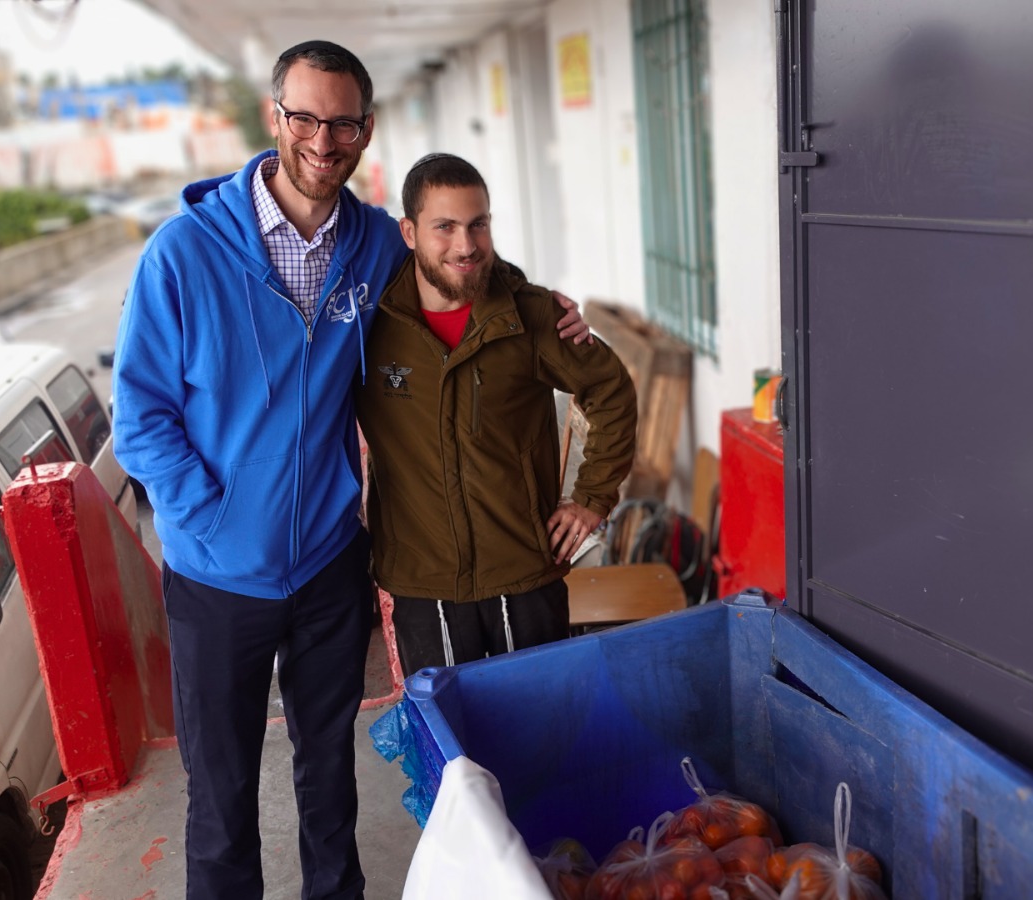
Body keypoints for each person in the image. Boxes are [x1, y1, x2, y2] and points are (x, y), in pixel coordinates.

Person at [112, 41, 589, 900]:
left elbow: (456, 257)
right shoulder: (182, 257)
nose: (323, 141)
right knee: (221, 804)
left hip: (330, 566)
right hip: (217, 582)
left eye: (342, 124)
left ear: (365, 131)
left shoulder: (373, 243)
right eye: (306, 118)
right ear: (274, 118)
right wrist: (214, 520)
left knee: (329, 782)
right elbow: (140, 422)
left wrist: (544, 307)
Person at [355, 154, 638, 675]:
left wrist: (592, 498)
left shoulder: (531, 315)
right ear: (409, 232)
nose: (466, 246)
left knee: (541, 730)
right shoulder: (368, 324)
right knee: (451, 746)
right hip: (423, 578)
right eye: (445, 227)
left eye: (478, 224)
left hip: (524, 571)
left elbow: (610, 389)